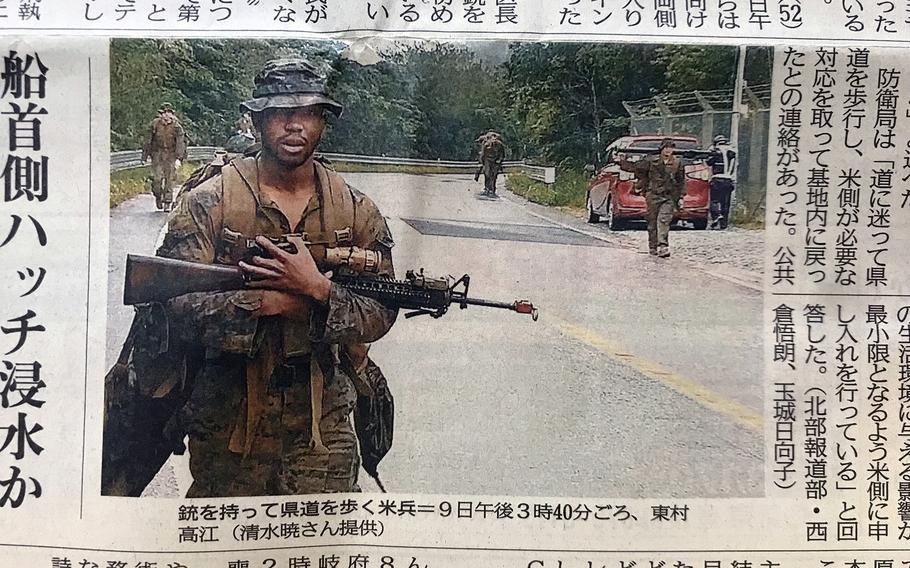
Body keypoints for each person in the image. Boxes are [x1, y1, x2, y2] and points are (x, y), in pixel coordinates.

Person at [135, 59, 398, 497]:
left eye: (308, 113)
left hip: (324, 424)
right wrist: (273, 303)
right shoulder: (209, 202)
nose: (294, 126)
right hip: (227, 419)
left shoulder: (355, 210)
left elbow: (381, 311)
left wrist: (318, 290)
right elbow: (171, 306)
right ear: (257, 120)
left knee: (321, 546)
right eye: (280, 113)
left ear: (323, 122)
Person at [621, 138, 686, 258]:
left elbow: (681, 181)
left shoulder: (677, 163)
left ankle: (663, 246)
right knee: (652, 222)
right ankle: (653, 246)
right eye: (666, 147)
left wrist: (681, 197)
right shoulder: (651, 160)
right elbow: (636, 168)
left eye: (670, 148)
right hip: (653, 195)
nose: (668, 150)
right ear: (661, 149)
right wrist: (621, 160)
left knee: (664, 220)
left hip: (668, 196)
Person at [142, 102, 188, 211]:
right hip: (157, 154)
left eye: (168, 113)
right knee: (157, 179)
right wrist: (144, 156)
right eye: (163, 113)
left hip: (171, 155)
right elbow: (148, 141)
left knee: (169, 179)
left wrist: (179, 158)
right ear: (160, 114)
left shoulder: (177, 127)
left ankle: (167, 202)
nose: (166, 115)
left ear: (172, 114)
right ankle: (158, 196)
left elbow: (180, 143)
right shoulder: (155, 125)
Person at [706, 134, 737, 230]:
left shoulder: (715, 151)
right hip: (728, 179)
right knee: (725, 202)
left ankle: (716, 215)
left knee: (714, 200)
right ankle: (724, 223)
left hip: (717, 178)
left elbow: (709, 162)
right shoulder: (732, 152)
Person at [476, 131, 506, 196]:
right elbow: (503, 155)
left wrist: (481, 163)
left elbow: (483, 155)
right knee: (491, 174)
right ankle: (490, 188)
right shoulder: (496, 144)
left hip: (491, 160)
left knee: (490, 175)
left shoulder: (487, 144)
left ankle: (489, 188)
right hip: (492, 160)